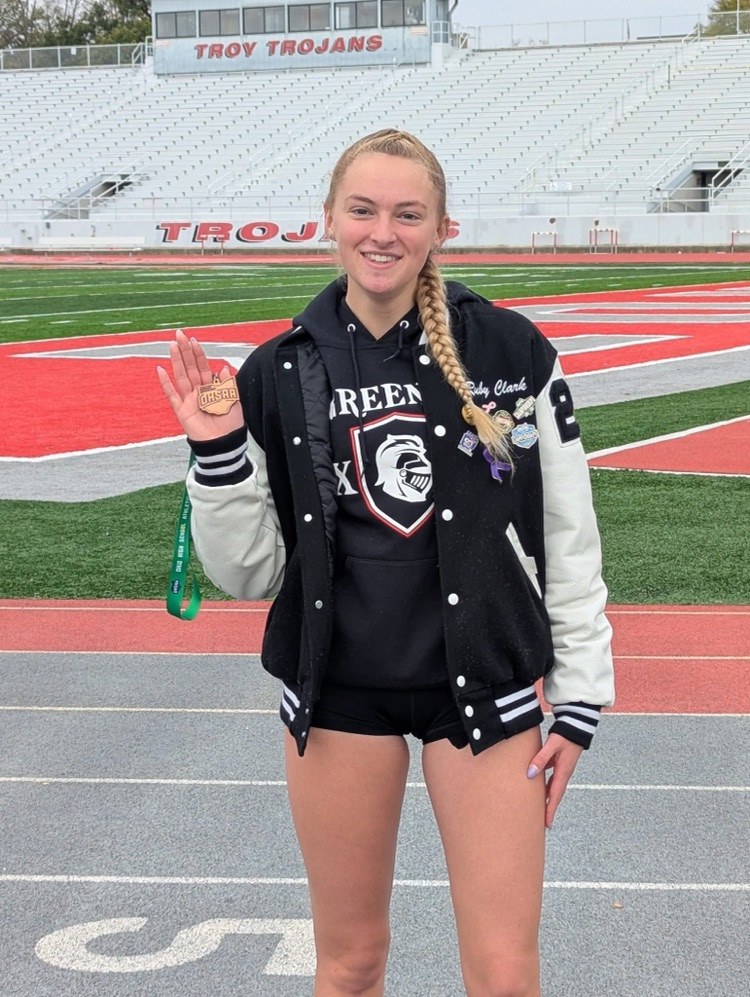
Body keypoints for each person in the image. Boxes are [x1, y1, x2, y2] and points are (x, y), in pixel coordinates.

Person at [157, 128, 615, 997]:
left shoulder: (511, 352)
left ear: (442, 227)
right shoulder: (279, 367)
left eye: (409, 213)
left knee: (506, 972)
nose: (383, 231)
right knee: (352, 962)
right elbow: (249, 573)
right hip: (338, 694)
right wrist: (216, 450)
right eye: (362, 209)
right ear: (327, 220)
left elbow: (568, 534)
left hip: (482, 686)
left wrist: (583, 692)